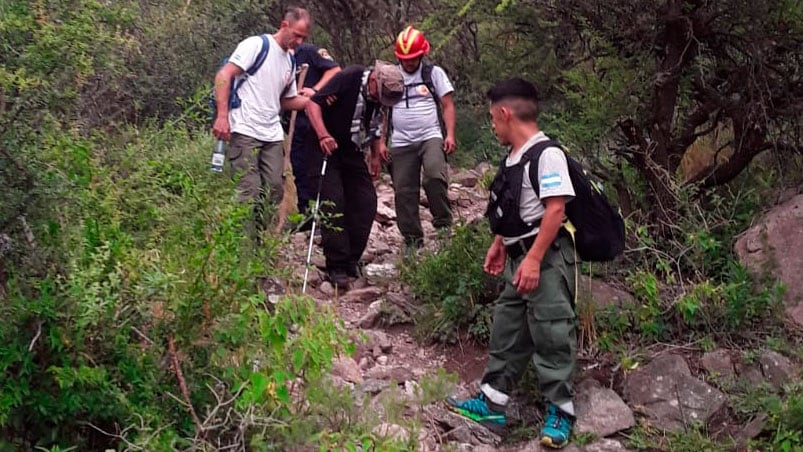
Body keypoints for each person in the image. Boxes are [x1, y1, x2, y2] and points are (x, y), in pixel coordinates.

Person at [445, 78, 578, 449]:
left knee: (551, 330)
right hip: (519, 257)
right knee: (509, 327)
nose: (492, 125)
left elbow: (555, 211)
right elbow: (517, 210)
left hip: (546, 259)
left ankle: (560, 412)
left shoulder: (546, 154)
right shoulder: (514, 157)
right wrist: (499, 243)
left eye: (492, 118)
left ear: (505, 114)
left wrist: (534, 259)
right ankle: (491, 403)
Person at [305, 61, 404, 289]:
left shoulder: (378, 98)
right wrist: (322, 135)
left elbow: (376, 123)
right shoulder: (349, 77)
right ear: (373, 81)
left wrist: (376, 155)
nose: (382, 100)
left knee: (366, 201)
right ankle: (336, 265)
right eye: (380, 94)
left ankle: (351, 259)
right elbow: (313, 104)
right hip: (325, 147)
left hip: (352, 150)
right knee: (333, 202)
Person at [211, 6, 311, 233]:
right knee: (249, 191)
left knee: (275, 190)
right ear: (284, 25)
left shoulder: (290, 62)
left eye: (303, 38)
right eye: (296, 35)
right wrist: (222, 116)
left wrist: (312, 100)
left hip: (272, 134)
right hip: (245, 129)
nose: (299, 41)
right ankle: (246, 257)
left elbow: (286, 100)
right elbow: (224, 75)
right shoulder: (256, 45)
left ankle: (257, 240)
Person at [380, 26, 456, 250]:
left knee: (434, 177)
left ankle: (443, 225)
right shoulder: (390, 76)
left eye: (413, 58)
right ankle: (412, 240)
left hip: (430, 135)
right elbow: (383, 111)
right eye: (405, 59)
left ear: (422, 54)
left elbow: (447, 105)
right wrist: (382, 141)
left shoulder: (433, 74)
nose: (410, 62)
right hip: (401, 141)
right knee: (403, 190)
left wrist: (450, 134)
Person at [288, 44, 341, 224]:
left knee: (317, 169)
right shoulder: (280, 57)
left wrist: (316, 91)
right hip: (292, 122)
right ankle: (306, 215)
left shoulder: (310, 52)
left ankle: (326, 215)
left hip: (315, 121)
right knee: (298, 168)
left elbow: (334, 70)